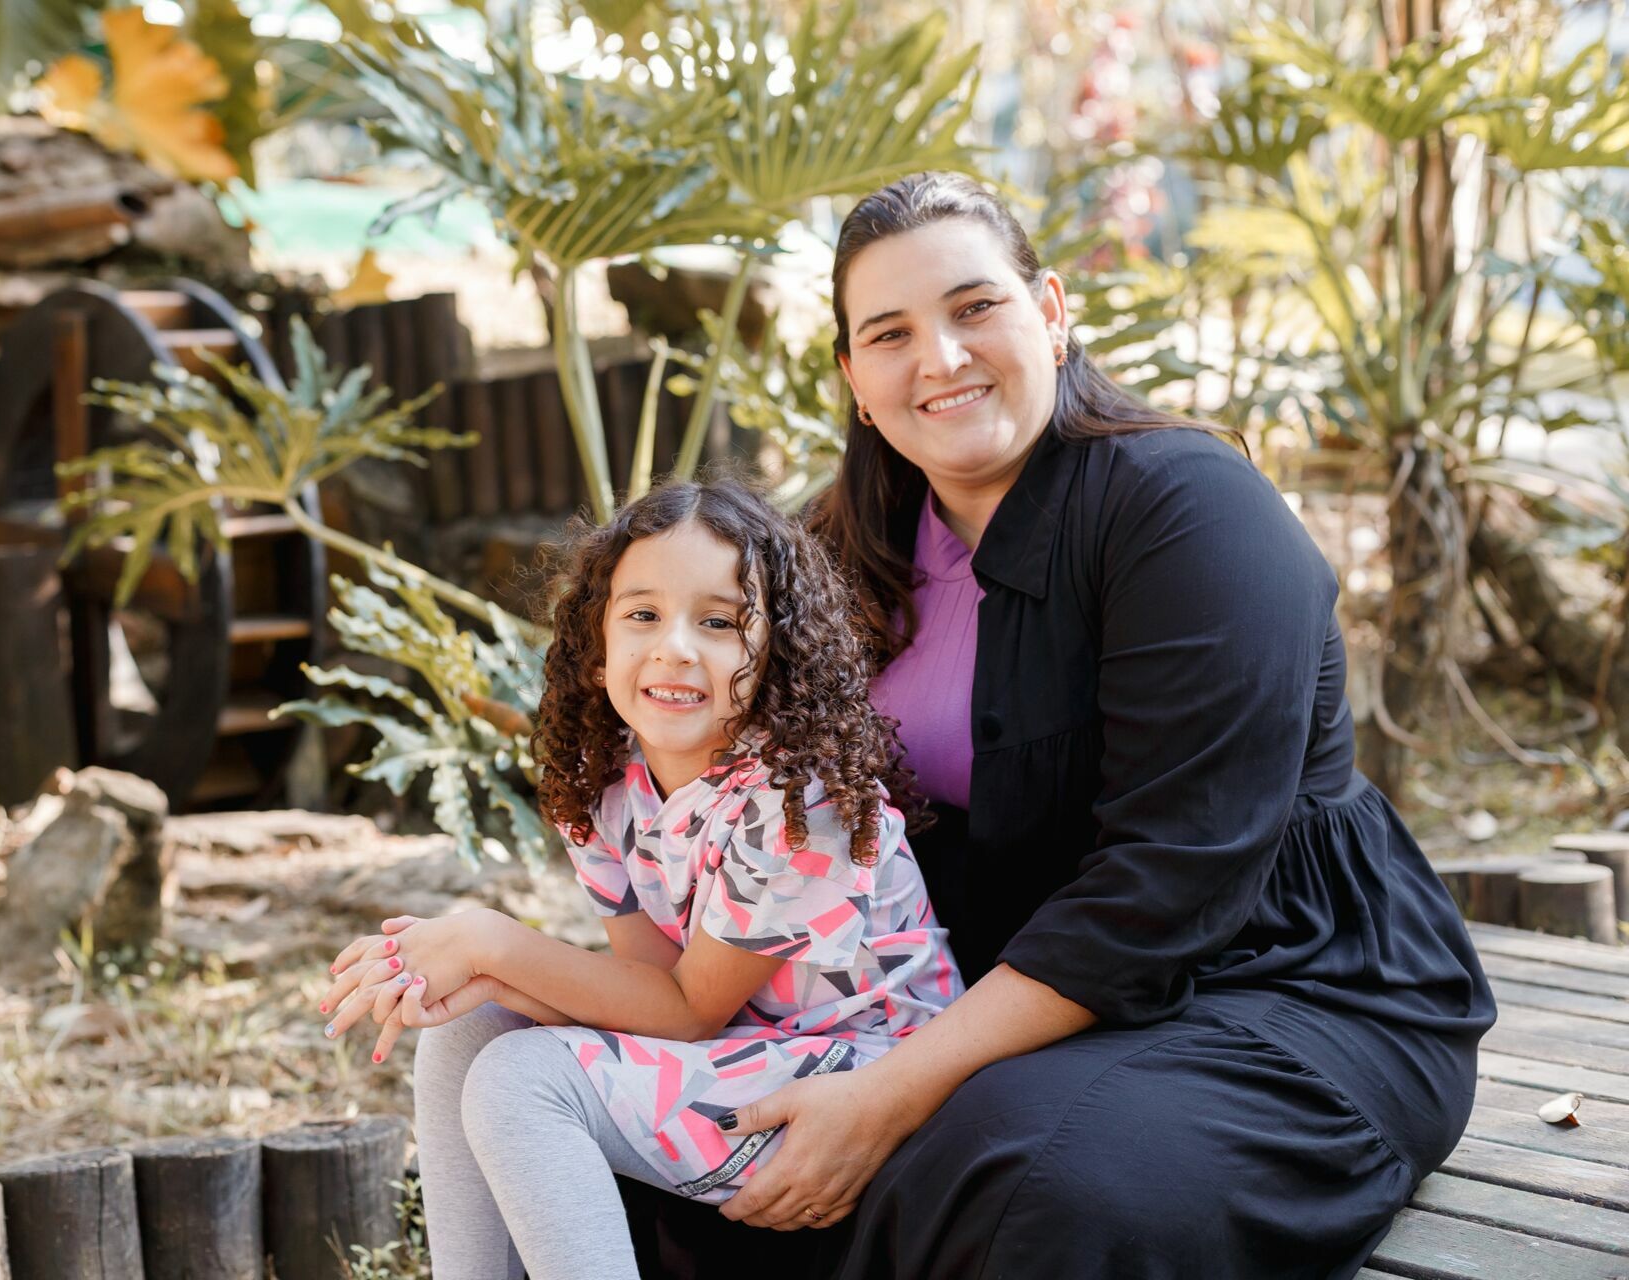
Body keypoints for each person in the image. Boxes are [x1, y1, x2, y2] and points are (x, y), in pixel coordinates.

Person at [610, 171, 1496, 1278]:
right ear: (852, 375)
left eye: (976, 307)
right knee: (678, 1141)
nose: (939, 357)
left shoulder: (1187, 508)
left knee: (1040, 1184)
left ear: (1053, 310)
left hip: (1276, 982)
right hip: (973, 988)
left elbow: (1172, 877)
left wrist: (890, 1086)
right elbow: (715, 783)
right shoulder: (833, 551)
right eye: (890, 332)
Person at [317, 480, 961, 1280]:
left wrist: (493, 942)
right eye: (644, 615)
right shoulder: (606, 783)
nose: (677, 647)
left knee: (524, 1081)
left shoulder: (801, 799)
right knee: (467, 1029)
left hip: (862, 1080)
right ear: (595, 648)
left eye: (719, 622)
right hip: (741, 1045)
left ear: (779, 651)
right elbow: (649, 989)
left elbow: (688, 1012)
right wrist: (487, 976)